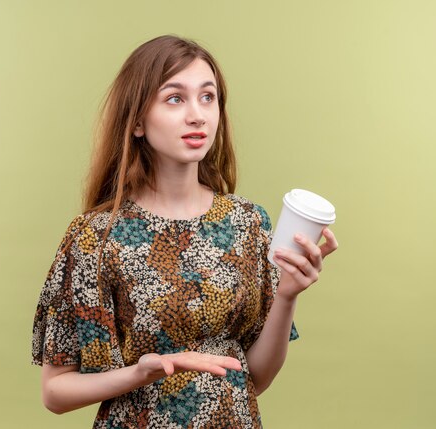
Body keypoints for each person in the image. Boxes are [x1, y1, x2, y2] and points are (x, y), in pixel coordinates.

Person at [31, 34, 338, 428]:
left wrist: (287, 295)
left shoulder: (248, 223)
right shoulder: (96, 237)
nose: (198, 115)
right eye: (175, 98)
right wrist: (144, 372)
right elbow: (55, 393)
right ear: (138, 121)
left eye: (207, 97)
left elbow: (256, 378)